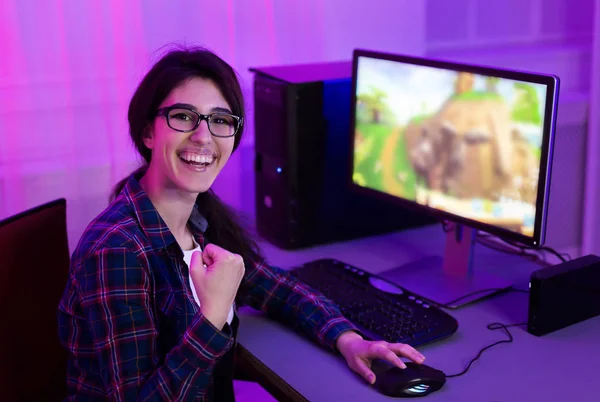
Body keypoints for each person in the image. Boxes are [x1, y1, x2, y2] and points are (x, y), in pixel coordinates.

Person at [57, 45, 426, 401]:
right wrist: (212, 317)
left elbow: (274, 289)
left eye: (220, 120)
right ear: (148, 132)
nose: (203, 137)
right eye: (183, 116)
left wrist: (347, 339)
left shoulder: (197, 221)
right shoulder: (117, 250)